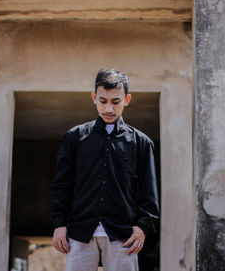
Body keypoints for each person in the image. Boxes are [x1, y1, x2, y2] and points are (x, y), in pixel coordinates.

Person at [51, 68, 159, 271]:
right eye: (103, 101)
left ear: (127, 99)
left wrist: (142, 227)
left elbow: (149, 192)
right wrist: (59, 224)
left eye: (115, 102)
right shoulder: (75, 138)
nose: (108, 109)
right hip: (79, 232)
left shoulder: (141, 143)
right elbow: (61, 185)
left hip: (123, 236)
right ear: (94, 98)